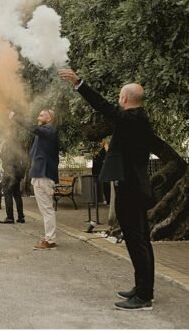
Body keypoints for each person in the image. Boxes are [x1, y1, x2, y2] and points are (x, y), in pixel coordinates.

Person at [59, 68, 157, 311]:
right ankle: (143, 288)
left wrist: (79, 83)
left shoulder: (131, 118)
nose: (117, 100)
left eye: (119, 97)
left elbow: (102, 106)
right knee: (141, 240)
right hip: (134, 186)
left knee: (137, 241)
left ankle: (144, 297)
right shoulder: (137, 119)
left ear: (124, 99)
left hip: (131, 189)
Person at [11, 109, 60, 250]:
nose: (38, 117)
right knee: (46, 209)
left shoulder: (49, 130)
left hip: (43, 175)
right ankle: (49, 238)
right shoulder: (45, 133)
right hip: (40, 175)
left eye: (41, 115)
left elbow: (33, 128)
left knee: (47, 210)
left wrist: (16, 116)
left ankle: (50, 240)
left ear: (49, 118)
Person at [0, 140, 27, 224]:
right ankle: (21, 217)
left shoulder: (7, 144)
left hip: (9, 173)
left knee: (8, 194)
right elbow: (25, 160)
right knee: (17, 195)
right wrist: (21, 174)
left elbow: (5, 160)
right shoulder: (19, 144)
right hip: (17, 173)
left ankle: (10, 217)